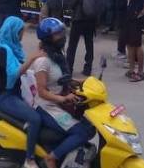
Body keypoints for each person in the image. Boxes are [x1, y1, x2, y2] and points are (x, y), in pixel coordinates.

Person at [31, 18, 97, 168]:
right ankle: (51, 158)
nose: (62, 37)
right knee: (81, 132)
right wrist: (63, 98)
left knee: (89, 123)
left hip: (60, 103)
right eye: (57, 34)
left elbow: (61, 79)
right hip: (47, 107)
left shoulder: (57, 55)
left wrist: (83, 82)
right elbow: (41, 92)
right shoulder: (42, 61)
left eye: (62, 32)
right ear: (48, 38)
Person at [0, 16, 44, 168]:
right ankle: (29, 159)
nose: (22, 34)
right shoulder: (4, 50)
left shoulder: (14, 48)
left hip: (17, 94)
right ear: (14, 32)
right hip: (5, 97)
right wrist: (32, 59)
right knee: (35, 119)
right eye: (21, 31)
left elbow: (26, 69)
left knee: (43, 112)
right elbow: (14, 73)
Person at [66, 0, 97, 76]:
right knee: (89, 44)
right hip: (91, 19)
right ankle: (88, 68)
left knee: (72, 45)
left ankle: (69, 68)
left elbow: (72, 1)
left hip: (78, 18)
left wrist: (71, 8)